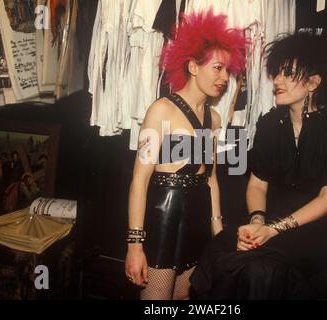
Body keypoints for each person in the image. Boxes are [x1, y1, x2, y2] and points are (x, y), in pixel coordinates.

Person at [190, 32, 327, 299]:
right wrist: (257, 221)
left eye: (287, 73)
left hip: (316, 224)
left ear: (313, 82)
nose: (277, 80)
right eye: (276, 72)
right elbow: (257, 185)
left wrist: (273, 229)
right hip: (271, 215)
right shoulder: (270, 124)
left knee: (257, 269)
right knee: (220, 251)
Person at [124, 10, 247, 300]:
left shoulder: (214, 119)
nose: (224, 77)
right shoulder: (161, 111)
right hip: (164, 218)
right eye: (217, 68)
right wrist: (134, 245)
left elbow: (211, 178)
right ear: (193, 66)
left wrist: (217, 230)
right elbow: (139, 182)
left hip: (198, 220)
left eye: (228, 71)